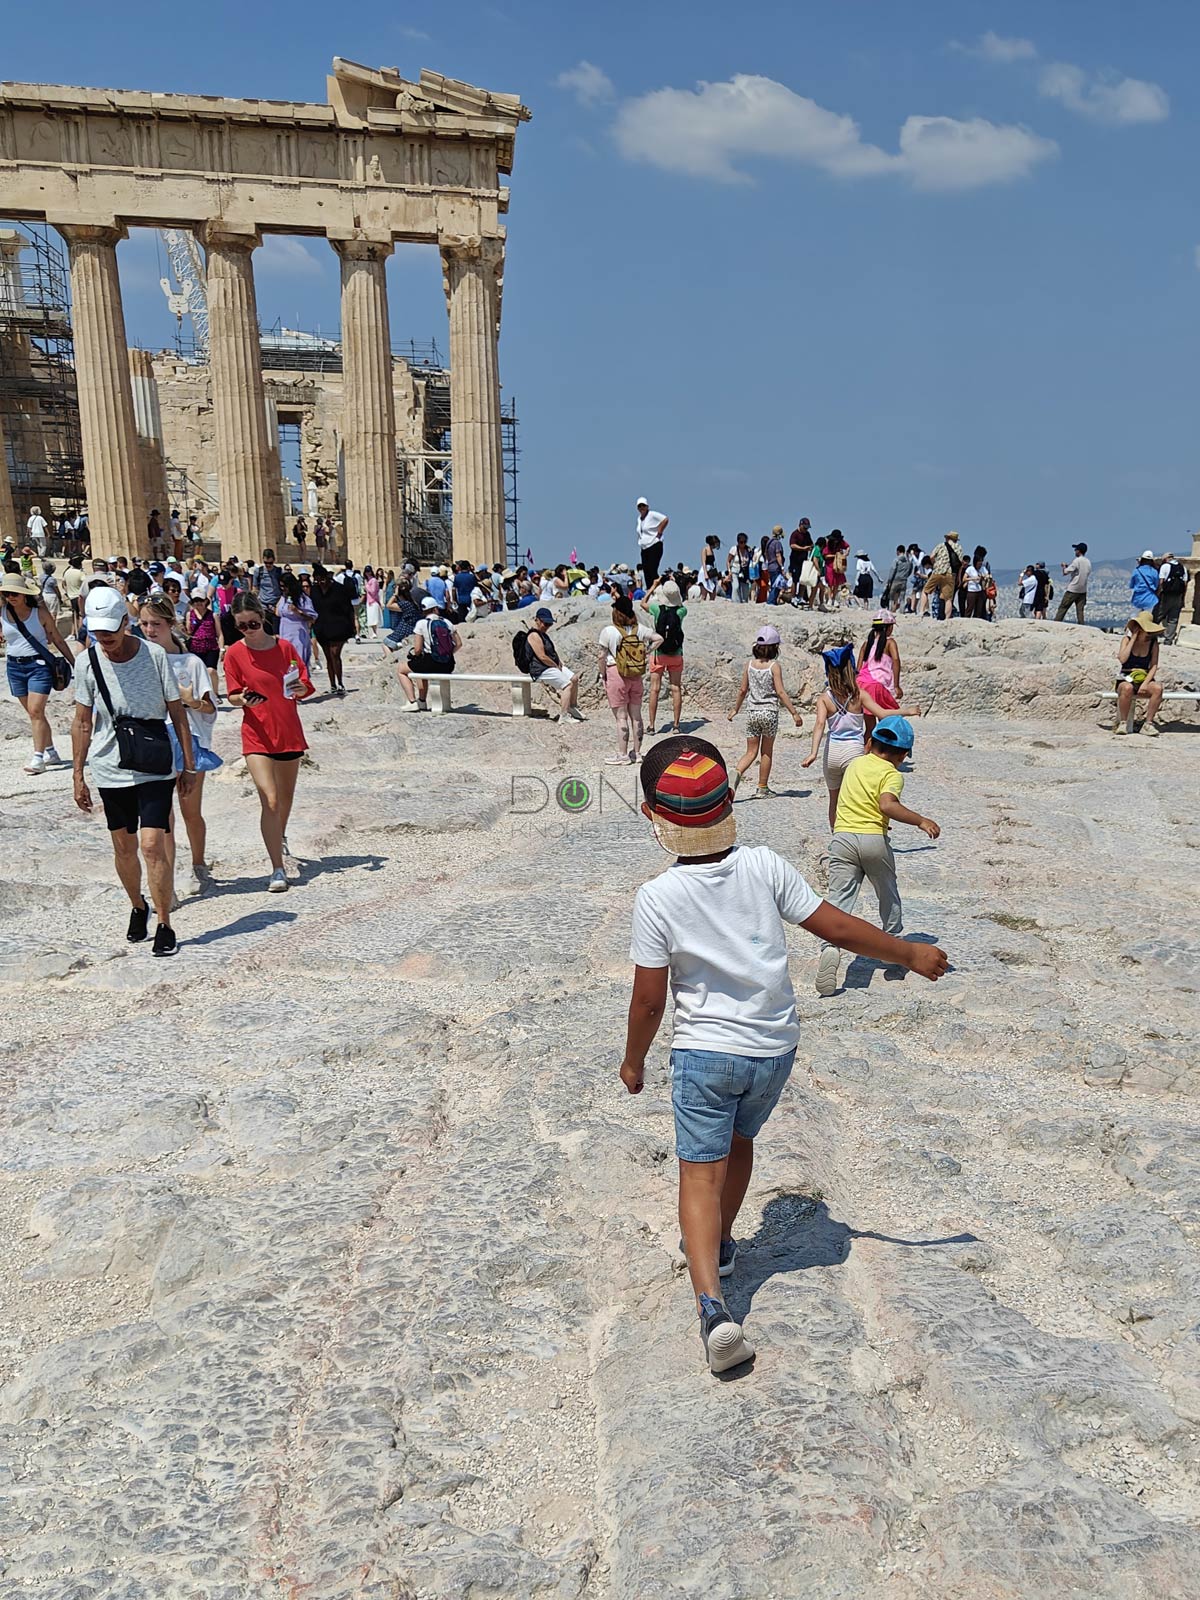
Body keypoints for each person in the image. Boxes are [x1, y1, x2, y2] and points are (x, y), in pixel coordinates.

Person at [620, 735, 948, 1373]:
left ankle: (713, 1306)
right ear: (732, 799)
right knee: (739, 1144)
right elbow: (835, 925)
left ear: (650, 816)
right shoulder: (765, 866)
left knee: (698, 1168)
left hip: (704, 1054)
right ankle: (721, 1244)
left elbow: (648, 1001)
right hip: (772, 1050)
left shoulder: (656, 898)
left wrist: (634, 1060)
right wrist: (907, 952)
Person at [71, 585, 196, 957]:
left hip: (154, 765)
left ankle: (163, 923)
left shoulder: (155, 655)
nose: (105, 638)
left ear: (126, 623)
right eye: (98, 632)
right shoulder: (87, 662)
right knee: (124, 847)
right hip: (110, 766)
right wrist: (77, 774)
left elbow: (177, 712)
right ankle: (137, 906)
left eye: (110, 630)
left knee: (152, 845)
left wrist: (187, 765)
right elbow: (81, 721)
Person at [815, 715, 941, 997]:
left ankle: (829, 948)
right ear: (903, 755)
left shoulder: (855, 764)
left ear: (869, 743)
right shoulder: (892, 774)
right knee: (887, 892)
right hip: (873, 840)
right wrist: (920, 820)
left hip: (843, 838)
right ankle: (892, 945)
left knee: (839, 899)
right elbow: (886, 805)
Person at [223, 591, 315, 891]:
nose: (248, 630)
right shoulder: (235, 653)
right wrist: (244, 700)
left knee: (285, 800)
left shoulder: (285, 647)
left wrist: (301, 688)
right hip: (256, 734)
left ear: (263, 619)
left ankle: (280, 836)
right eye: (242, 626)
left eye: (253, 623)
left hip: (288, 731)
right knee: (270, 798)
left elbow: (303, 683)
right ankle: (277, 867)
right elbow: (233, 694)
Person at [137, 597, 219, 897]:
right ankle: (166, 882)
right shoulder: (139, 661)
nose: (149, 630)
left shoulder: (191, 663)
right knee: (163, 818)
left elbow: (210, 709)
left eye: (156, 624)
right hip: (154, 741)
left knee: (190, 812)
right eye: (144, 624)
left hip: (188, 742)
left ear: (170, 624)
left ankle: (199, 865)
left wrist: (190, 701)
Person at [802, 643, 888, 829]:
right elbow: (882, 714)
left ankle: (837, 838)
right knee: (857, 797)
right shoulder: (860, 696)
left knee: (834, 799)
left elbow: (819, 725)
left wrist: (813, 753)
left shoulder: (824, 698)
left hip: (832, 752)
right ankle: (860, 831)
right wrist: (907, 711)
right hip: (854, 753)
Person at [2, 572, 73, 773]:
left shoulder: (40, 613)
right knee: (35, 714)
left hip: (38, 666)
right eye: (7, 594)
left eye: (14, 593)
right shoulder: (2, 611)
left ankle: (38, 758)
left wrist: (75, 662)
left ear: (24, 594)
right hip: (14, 667)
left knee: (35, 711)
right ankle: (51, 751)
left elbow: (58, 639)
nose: (11, 597)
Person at [727, 624, 802, 798]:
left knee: (750, 752)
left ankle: (736, 773)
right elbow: (781, 692)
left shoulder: (749, 665)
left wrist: (735, 710)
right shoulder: (774, 666)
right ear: (775, 648)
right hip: (769, 713)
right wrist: (794, 713)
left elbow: (742, 690)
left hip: (752, 712)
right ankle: (762, 787)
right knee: (766, 751)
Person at [597, 595, 660, 765]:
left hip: (616, 673)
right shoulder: (639, 629)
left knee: (621, 717)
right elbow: (659, 638)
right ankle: (637, 753)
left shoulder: (609, 631)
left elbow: (601, 656)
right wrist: (647, 651)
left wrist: (603, 674)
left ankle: (623, 755)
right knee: (636, 716)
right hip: (636, 675)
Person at [639, 578, 687, 735]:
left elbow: (642, 603)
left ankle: (652, 726)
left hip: (658, 653)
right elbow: (681, 605)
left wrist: (653, 585)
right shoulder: (681, 611)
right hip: (676, 653)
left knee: (654, 689)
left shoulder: (656, 609)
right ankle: (676, 725)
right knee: (676, 688)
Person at [522, 608, 585, 721]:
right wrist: (555, 666)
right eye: (545, 623)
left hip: (550, 665)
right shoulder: (534, 635)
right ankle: (564, 715)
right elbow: (542, 656)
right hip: (541, 669)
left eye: (549, 624)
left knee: (574, 679)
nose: (547, 626)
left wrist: (559, 663)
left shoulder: (543, 635)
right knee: (567, 685)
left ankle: (572, 707)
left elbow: (551, 653)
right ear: (537, 620)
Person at [398, 595, 459, 710]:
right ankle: (421, 701)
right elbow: (459, 643)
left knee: (402, 670)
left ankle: (413, 702)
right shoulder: (447, 622)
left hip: (431, 662)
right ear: (435, 609)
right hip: (448, 665)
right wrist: (447, 653)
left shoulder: (421, 623)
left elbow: (417, 649)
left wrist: (416, 656)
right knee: (420, 667)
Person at [1113, 611, 1164, 736]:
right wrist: (1133, 639)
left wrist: (1146, 683)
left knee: (1158, 688)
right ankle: (1123, 723)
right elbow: (1122, 659)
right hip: (1126, 677)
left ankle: (1148, 724)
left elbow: (1154, 665)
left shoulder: (1153, 644)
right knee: (1127, 688)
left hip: (1143, 677)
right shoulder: (1126, 640)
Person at [309, 562, 355, 696]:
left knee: (335, 654)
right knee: (328, 656)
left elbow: (349, 609)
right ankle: (332, 685)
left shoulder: (339, 589)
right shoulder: (314, 590)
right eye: (317, 580)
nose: (320, 583)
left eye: (322, 579)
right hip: (322, 628)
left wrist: (352, 627)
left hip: (339, 627)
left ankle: (340, 683)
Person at [277, 570, 317, 669]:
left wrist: (298, 612)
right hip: (284, 635)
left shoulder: (302, 599)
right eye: (281, 586)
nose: (283, 589)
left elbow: (312, 617)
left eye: (284, 586)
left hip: (297, 637)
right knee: (286, 665)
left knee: (296, 664)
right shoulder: (283, 598)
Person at [920, 531, 961, 620]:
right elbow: (960, 563)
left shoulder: (941, 545)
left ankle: (921, 612)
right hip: (950, 573)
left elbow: (931, 556)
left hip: (938, 571)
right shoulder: (959, 548)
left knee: (925, 591)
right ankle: (947, 618)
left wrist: (936, 564)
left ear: (947, 538)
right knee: (948, 598)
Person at [635, 496, 669, 587]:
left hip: (654, 544)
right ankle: (651, 590)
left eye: (643, 506)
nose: (641, 508)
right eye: (639, 506)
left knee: (652, 569)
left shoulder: (652, 514)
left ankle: (660, 587)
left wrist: (659, 532)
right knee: (646, 571)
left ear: (647, 506)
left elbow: (665, 519)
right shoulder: (639, 519)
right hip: (644, 547)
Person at [1055, 542, 1091, 623]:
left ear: (1079, 551)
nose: (1075, 551)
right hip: (1083, 590)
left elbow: (1065, 572)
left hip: (1073, 589)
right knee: (1080, 611)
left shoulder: (1077, 561)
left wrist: (1064, 566)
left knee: (1063, 608)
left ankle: (1056, 623)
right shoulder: (1088, 562)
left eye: (1076, 549)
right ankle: (1082, 626)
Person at [1157, 552, 1188, 646]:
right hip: (1178, 595)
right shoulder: (1183, 567)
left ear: (1165, 559)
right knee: (1173, 619)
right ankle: (1168, 639)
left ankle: (1149, 636)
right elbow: (1185, 583)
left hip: (1167, 595)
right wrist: (1183, 596)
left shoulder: (1165, 566)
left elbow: (1161, 581)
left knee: (1158, 615)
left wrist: (1158, 593)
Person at [959, 546, 988, 620]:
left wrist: (984, 578)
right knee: (969, 608)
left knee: (979, 609)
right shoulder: (970, 569)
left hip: (980, 590)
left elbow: (987, 576)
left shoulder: (983, 568)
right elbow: (964, 579)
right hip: (971, 591)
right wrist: (973, 579)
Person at [881, 545, 912, 613]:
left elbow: (893, 570)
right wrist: (905, 576)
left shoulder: (896, 560)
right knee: (902, 598)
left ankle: (891, 611)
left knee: (891, 597)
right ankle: (902, 611)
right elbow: (910, 570)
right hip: (904, 581)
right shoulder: (908, 561)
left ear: (898, 551)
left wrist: (889, 581)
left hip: (895, 580)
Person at [1129, 550, 1160, 617]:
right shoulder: (1154, 572)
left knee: (1134, 618)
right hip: (1150, 598)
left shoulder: (1136, 571)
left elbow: (1131, 585)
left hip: (1138, 599)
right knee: (1147, 619)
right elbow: (1156, 585)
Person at [363, 566, 383, 637]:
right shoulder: (368, 581)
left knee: (374, 617)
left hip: (373, 601)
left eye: (369, 571)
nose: (368, 573)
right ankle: (374, 632)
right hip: (369, 601)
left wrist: (366, 587)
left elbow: (373, 591)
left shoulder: (373, 580)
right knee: (371, 617)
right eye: (366, 572)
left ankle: (375, 632)